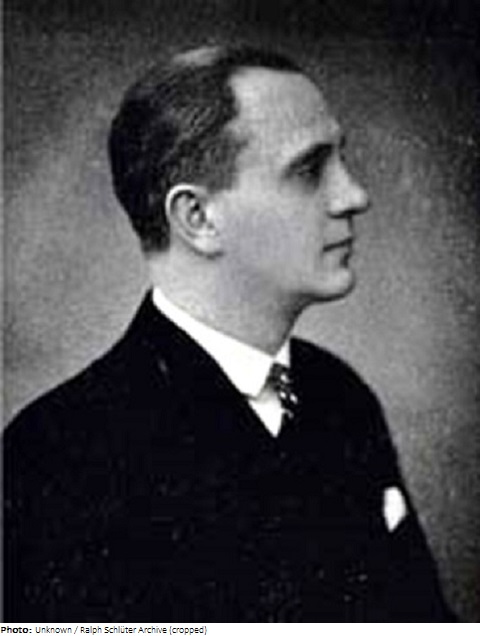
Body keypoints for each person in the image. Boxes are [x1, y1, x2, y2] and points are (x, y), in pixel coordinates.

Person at [4, 44, 455, 621]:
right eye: (309, 170)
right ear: (197, 218)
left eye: (341, 160)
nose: (354, 196)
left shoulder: (339, 396)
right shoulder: (57, 453)